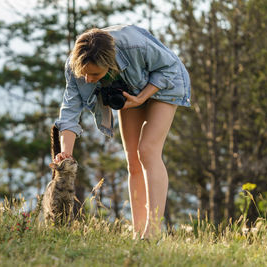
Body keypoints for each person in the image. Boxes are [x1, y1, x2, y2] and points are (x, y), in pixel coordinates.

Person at [54, 25, 191, 239]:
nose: (88, 79)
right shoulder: (76, 65)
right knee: (133, 160)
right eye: (85, 74)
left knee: (147, 150)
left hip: (164, 84)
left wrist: (142, 97)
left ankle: (152, 232)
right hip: (130, 88)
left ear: (109, 64)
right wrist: (66, 154)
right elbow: (69, 113)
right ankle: (138, 232)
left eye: (94, 74)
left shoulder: (136, 46)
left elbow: (170, 67)